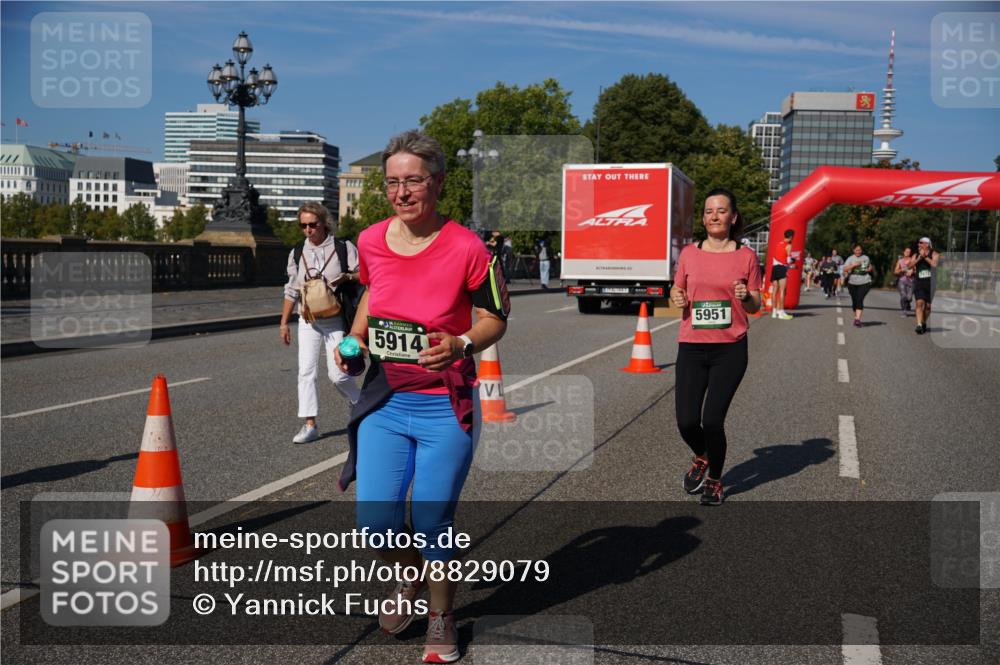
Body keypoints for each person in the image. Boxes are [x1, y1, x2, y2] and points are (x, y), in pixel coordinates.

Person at [334, 130, 509, 663]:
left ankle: (441, 614)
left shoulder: (468, 247)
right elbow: (372, 294)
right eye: (393, 182)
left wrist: (460, 343)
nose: (402, 192)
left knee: (433, 521)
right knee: (376, 524)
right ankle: (411, 579)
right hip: (385, 401)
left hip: (443, 404)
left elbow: (495, 318)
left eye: (413, 180)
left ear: (437, 183)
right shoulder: (368, 241)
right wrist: (356, 339)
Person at [669, 188, 762, 507]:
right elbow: (676, 291)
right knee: (685, 421)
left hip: (730, 349)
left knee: (712, 420)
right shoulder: (689, 254)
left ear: (733, 217)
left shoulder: (746, 256)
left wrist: (745, 296)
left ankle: (715, 480)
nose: (714, 215)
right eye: (709, 211)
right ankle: (701, 456)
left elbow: (755, 304)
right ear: (704, 217)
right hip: (692, 346)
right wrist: (676, 298)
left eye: (721, 210)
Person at [279, 202, 361, 444]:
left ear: (324, 223)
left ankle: (360, 401)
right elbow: (291, 290)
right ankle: (309, 424)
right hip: (308, 320)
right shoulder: (296, 252)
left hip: (336, 319)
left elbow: (363, 274)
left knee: (338, 375)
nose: (308, 230)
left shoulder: (342, 247)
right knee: (306, 371)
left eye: (312, 225)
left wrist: (347, 276)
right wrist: (284, 323)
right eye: (303, 225)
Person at [912, 236, 940, 335]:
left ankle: (923, 322)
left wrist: (925, 257)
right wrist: (919, 257)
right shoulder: (915, 255)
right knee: (919, 303)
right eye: (919, 243)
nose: (918, 244)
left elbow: (934, 264)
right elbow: (910, 265)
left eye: (921, 243)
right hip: (919, 282)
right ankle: (919, 325)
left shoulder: (935, 254)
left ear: (927, 244)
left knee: (928, 307)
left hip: (930, 284)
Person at [842, 244, 874, 327]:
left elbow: (864, 270)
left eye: (859, 250)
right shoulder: (850, 258)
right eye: (856, 250)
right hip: (852, 282)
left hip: (864, 282)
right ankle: (856, 318)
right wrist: (853, 265)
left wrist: (863, 266)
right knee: (854, 301)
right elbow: (845, 269)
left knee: (859, 299)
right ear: (853, 250)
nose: (858, 251)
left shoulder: (865, 258)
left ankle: (857, 319)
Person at [769, 229, 795, 320]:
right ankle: (781, 312)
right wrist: (792, 263)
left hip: (774, 267)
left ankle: (774, 311)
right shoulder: (789, 245)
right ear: (791, 236)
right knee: (782, 291)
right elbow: (788, 260)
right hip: (781, 268)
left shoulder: (778, 244)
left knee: (775, 290)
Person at [894, 247, 915, 316]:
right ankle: (904, 310)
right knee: (903, 296)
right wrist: (901, 270)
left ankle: (908, 303)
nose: (907, 253)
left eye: (909, 252)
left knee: (909, 297)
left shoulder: (913, 261)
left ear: (910, 253)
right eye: (906, 251)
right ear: (904, 252)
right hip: (902, 280)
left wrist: (912, 272)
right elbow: (895, 271)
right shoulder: (900, 261)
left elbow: (916, 270)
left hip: (911, 281)